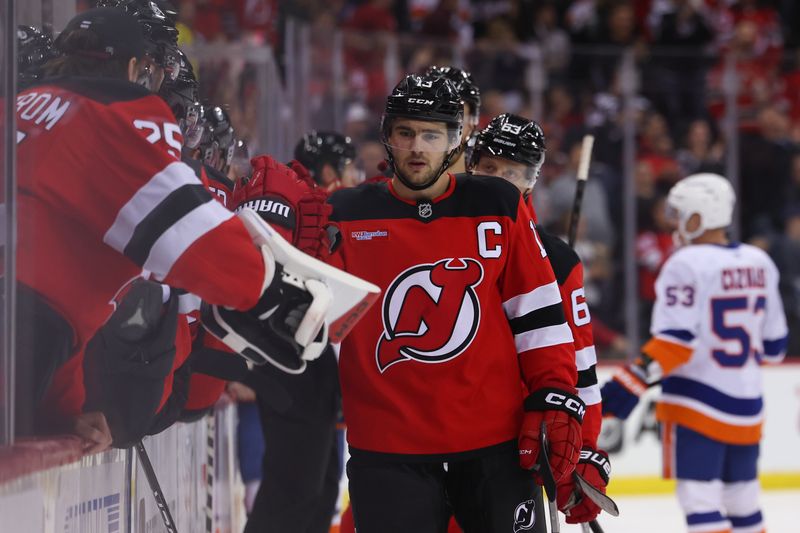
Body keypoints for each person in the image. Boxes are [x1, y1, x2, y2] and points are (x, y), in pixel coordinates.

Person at [16, 8, 328, 449]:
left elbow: (58, 272)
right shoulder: (112, 113)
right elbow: (190, 236)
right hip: (26, 332)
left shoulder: (24, 106)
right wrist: (276, 290)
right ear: (133, 68)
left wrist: (63, 409)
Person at [328, 73, 582, 533]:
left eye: (431, 134)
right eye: (405, 133)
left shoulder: (497, 203)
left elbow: (539, 317)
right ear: (388, 137)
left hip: (494, 447)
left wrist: (556, 395)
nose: (417, 148)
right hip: (388, 449)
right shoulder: (345, 214)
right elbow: (313, 318)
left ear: (456, 138)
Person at [601, 174, 788, 533]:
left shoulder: (684, 263)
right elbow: (775, 348)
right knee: (743, 501)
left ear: (699, 216)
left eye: (679, 212)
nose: (672, 221)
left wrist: (626, 387)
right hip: (748, 405)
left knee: (700, 501)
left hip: (696, 405)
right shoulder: (759, 260)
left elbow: (674, 344)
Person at [467, 113, 609, 526]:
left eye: (511, 172)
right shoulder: (441, 233)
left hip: (517, 440)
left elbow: (580, 365)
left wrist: (582, 449)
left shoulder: (558, 261)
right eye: (489, 167)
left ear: (531, 180)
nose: (497, 180)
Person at [242, 149, 343, 533]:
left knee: (318, 487)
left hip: (308, 358)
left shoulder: (297, 196)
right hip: (287, 355)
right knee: (295, 488)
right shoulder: (276, 195)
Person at [425, 65, 481, 174]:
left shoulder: (487, 180)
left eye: (454, 118)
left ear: (472, 125)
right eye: (435, 116)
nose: (444, 129)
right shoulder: (391, 179)